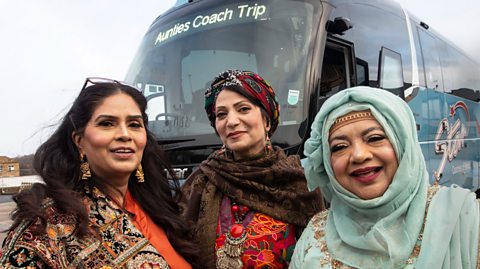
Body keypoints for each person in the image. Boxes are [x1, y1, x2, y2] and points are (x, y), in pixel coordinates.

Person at [0, 78, 197, 268]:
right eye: (107, 123)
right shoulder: (47, 221)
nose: (124, 134)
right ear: (79, 141)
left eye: (134, 125)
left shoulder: (159, 207)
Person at [290, 86, 480, 269]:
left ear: (404, 144)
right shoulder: (315, 233)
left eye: (374, 138)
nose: (358, 155)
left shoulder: (466, 220)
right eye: (339, 147)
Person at [178, 70, 324, 269]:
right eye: (221, 114)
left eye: (243, 109)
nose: (231, 121)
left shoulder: (298, 181)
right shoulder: (201, 181)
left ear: (266, 120)